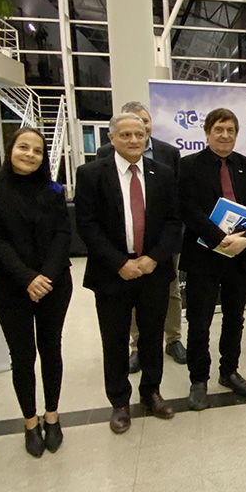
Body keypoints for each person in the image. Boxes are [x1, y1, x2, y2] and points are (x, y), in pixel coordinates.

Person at [74, 112, 181, 433]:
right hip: (112, 274)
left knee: (152, 336)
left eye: (139, 134)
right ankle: (119, 402)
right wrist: (120, 263)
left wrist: (153, 259)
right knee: (115, 340)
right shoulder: (91, 174)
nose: (134, 140)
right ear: (111, 139)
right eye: (126, 135)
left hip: (153, 271)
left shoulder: (162, 173)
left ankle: (151, 392)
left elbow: (174, 222)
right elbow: (87, 225)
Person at [0, 127, 72, 457]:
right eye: (23, 148)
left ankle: (52, 417)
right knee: (22, 355)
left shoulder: (54, 190)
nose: (30, 154)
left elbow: (63, 235)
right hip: (11, 284)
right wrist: (28, 278)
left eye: (37, 151)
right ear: (10, 149)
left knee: (51, 349)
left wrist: (46, 277)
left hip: (54, 283)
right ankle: (30, 422)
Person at [178, 108, 246, 410]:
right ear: (207, 133)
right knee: (199, 321)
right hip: (203, 257)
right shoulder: (188, 166)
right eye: (219, 129)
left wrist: (245, 239)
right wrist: (219, 239)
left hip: (238, 256)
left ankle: (229, 371)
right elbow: (188, 209)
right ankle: (198, 379)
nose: (225, 135)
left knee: (235, 319)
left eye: (230, 130)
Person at [97, 102, 185, 372]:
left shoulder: (169, 153)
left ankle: (173, 339)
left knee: (170, 291)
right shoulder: (104, 155)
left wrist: (158, 253)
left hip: (162, 245)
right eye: (129, 130)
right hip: (124, 248)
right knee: (131, 295)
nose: (137, 134)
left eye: (144, 123)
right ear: (114, 136)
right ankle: (137, 344)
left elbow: (175, 203)